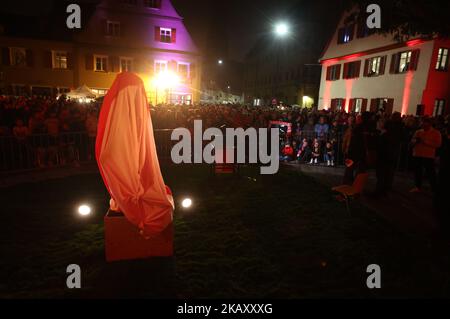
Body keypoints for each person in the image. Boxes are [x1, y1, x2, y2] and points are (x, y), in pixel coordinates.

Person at [410, 117, 442, 193]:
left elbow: (438, 144)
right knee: (418, 171)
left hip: (428, 155)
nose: (423, 125)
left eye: (425, 123)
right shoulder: (418, 131)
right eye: (423, 123)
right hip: (417, 153)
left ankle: (434, 187)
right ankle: (417, 186)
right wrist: (415, 141)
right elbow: (412, 140)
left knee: (430, 172)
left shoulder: (436, 133)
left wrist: (425, 141)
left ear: (430, 124)